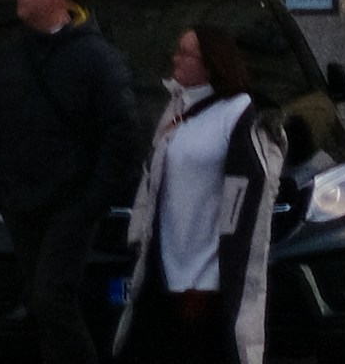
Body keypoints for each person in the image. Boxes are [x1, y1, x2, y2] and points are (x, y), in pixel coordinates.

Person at [0, 0, 137, 364]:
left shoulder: (96, 58)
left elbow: (123, 132)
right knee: (40, 301)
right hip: (23, 204)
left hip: (72, 206)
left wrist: (93, 200)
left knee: (50, 298)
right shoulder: (8, 56)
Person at [112, 22, 281, 362]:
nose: (175, 59)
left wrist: (219, 271)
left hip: (204, 280)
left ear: (211, 63)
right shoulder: (177, 110)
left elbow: (252, 198)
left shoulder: (240, 114)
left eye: (185, 53)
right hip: (162, 271)